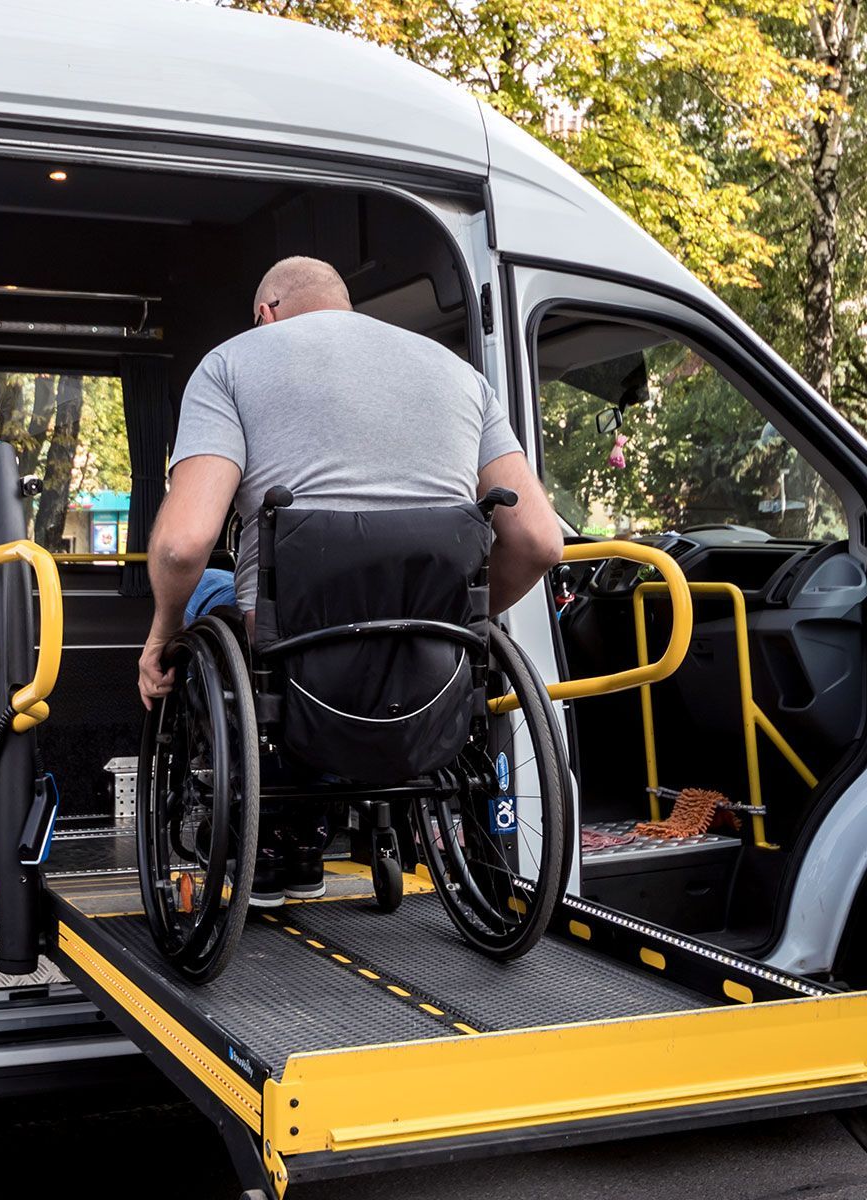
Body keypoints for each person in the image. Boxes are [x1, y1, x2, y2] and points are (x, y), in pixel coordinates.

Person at [135, 255, 561, 906]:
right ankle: (314, 831)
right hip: (429, 650)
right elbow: (538, 541)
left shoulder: (234, 362)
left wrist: (161, 635)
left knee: (208, 594)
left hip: (291, 639)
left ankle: (275, 827)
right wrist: (459, 620)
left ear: (265, 314)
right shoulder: (461, 376)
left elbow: (183, 543)